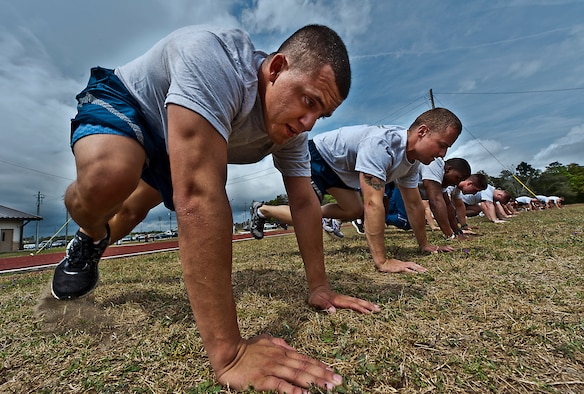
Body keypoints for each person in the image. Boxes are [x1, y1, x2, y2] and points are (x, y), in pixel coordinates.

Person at [50, 25, 380, 393]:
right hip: (133, 104)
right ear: (277, 69)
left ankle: (98, 240)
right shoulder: (217, 61)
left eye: (321, 115)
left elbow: (304, 201)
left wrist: (320, 285)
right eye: (309, 101)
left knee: (130, 213)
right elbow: (199, 195)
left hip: (179, 141)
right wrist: (230, 353)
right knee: (108, 181)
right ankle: (89, 235)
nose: (308, 123)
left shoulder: (293, 132)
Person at [251, 108, 463, 274]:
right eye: (442, 145)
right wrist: (382, 261)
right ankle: (264, 211)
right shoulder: (382, 145)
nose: (442, 155)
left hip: (341, 169)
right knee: (309, 213)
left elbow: (414, 205)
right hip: (319, 156)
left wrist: (424, 245)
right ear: (423, 131)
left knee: (352, 210)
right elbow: (373, 204)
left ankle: (264, 210)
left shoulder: (411, 163)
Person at [395, 157, 473, 239]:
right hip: (391, 185)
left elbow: (448, 206)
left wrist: (457, 232)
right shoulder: (435, 164)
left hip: (399, 189)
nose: (456, 183)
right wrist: (450, 235)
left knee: (406, 222)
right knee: (403, 220)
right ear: (448, 169)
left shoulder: (443, 180)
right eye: (458, 178)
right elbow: (435, 200)